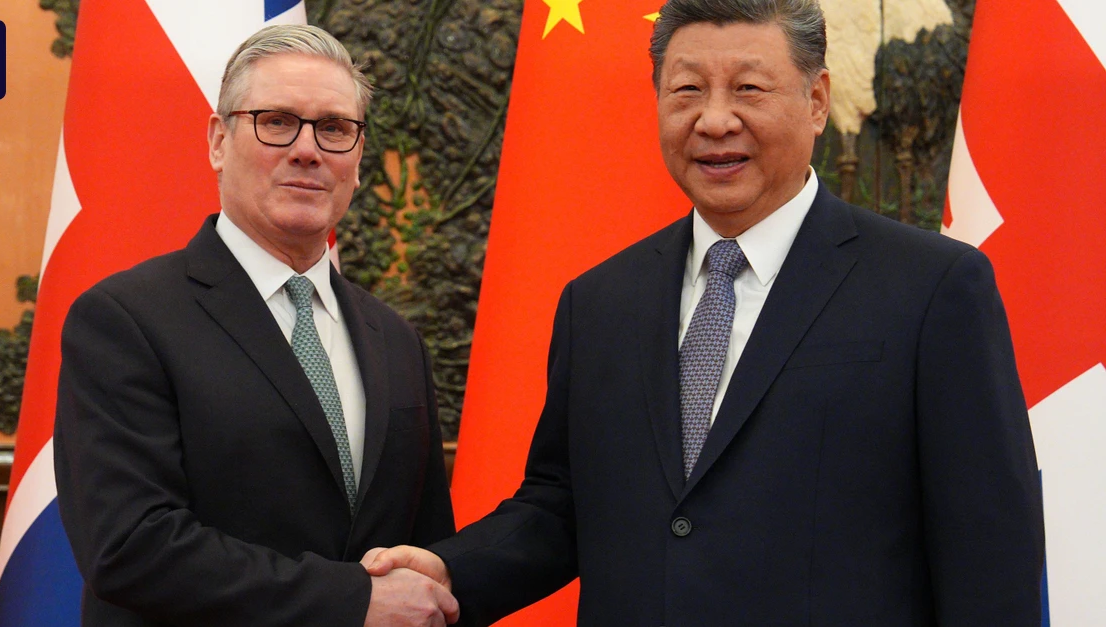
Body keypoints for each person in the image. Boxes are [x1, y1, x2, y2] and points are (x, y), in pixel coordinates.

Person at [364, 0, 1045, 625]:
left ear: (816, 102)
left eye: (748, 89)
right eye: (687, 90)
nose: (715, 120)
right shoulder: (598, 302)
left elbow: (988, 553)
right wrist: (452, 571)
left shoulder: (932, 288)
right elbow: (562, 502)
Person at [54, 24, 460, 627]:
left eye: (334, 128)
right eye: (276, 121)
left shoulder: (397, 340)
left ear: (357, 159)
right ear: (219, 141)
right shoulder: (124, 319)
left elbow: (424, 551)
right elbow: (130, 546)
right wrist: (351, 600)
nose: (307, 150)